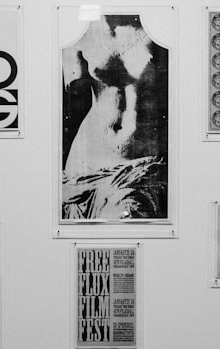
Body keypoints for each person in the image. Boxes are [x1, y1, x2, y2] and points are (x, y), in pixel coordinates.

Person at [61, 14, 169, 220]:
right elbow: (73, 101)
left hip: (139, 164)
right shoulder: (77, 33)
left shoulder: (161, 31)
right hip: (84, 166)